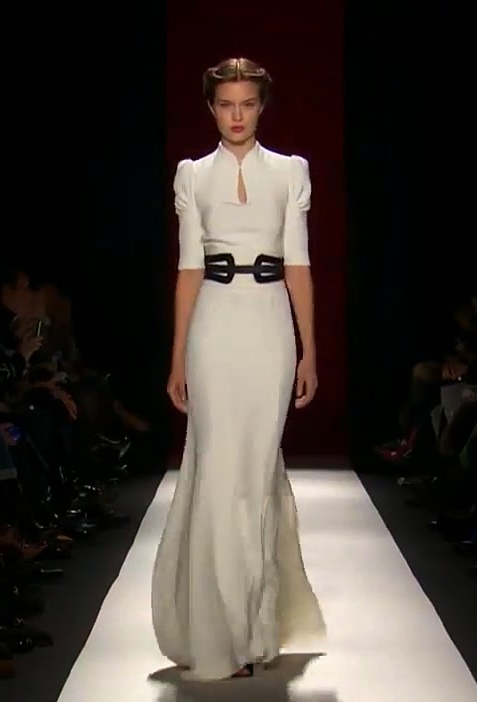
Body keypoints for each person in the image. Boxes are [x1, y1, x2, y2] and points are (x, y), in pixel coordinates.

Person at [151, 57, 326, 681]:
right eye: (226, 104)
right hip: (214, 328)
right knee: (219, 471)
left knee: (254, 473)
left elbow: (298, 263)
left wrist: (309, 348)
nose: (236, 115)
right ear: (211, 107)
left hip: (270, 326)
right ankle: (220, 633)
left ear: (261, 106)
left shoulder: (290, 171)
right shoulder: (192, 175)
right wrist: (178, 354)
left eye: (247, 104)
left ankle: (253, 629)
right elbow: (188, 269)